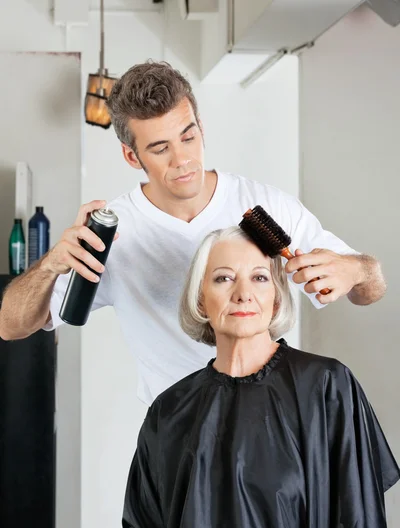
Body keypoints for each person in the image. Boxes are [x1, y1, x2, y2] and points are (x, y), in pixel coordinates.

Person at [0, 61, 386, 406]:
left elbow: (371, 289)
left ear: (201, 127)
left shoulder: (266, 205)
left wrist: (357, 271)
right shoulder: (113, 234)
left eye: (188, 136)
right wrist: (52, 264)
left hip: (271, 417)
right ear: (132, 156)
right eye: (160, 148)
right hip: (178, 432)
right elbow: (11, 325)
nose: (182, 159)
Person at [122, 226, 399, 528]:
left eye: (259, 277)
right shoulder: (169, 409)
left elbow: (361, 522)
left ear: (277, 297)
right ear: (201, 300)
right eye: (223, 278)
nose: (243, 293)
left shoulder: (326, 386)